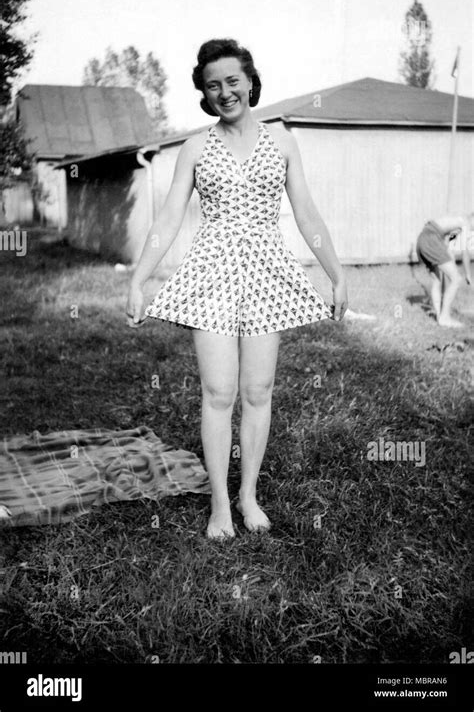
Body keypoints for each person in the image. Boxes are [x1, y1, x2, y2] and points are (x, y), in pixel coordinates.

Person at [126, 38, 348, 539]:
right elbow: (167, 219)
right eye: (213, 86)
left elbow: (307, 214)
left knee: (257, 390)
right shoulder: (196, 147)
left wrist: (336, 274)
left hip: (268, 272)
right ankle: (221, 506)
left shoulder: (283, 141)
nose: (225, 92)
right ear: (204, 95)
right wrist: (139, 280)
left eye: (232, 81)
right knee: (219, 392)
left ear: (250, 80)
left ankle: (249, 494)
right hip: (211, 273)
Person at [416, 213, 473, 327]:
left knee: (437, 279)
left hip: (422, 240)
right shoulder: (464, 222)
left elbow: (447, 248)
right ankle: (445, 317)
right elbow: (465, 253)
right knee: (456, 279)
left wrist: (452, 266)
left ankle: (439, 316)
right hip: (431, 240)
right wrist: (468, 275)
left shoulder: (454, 223)